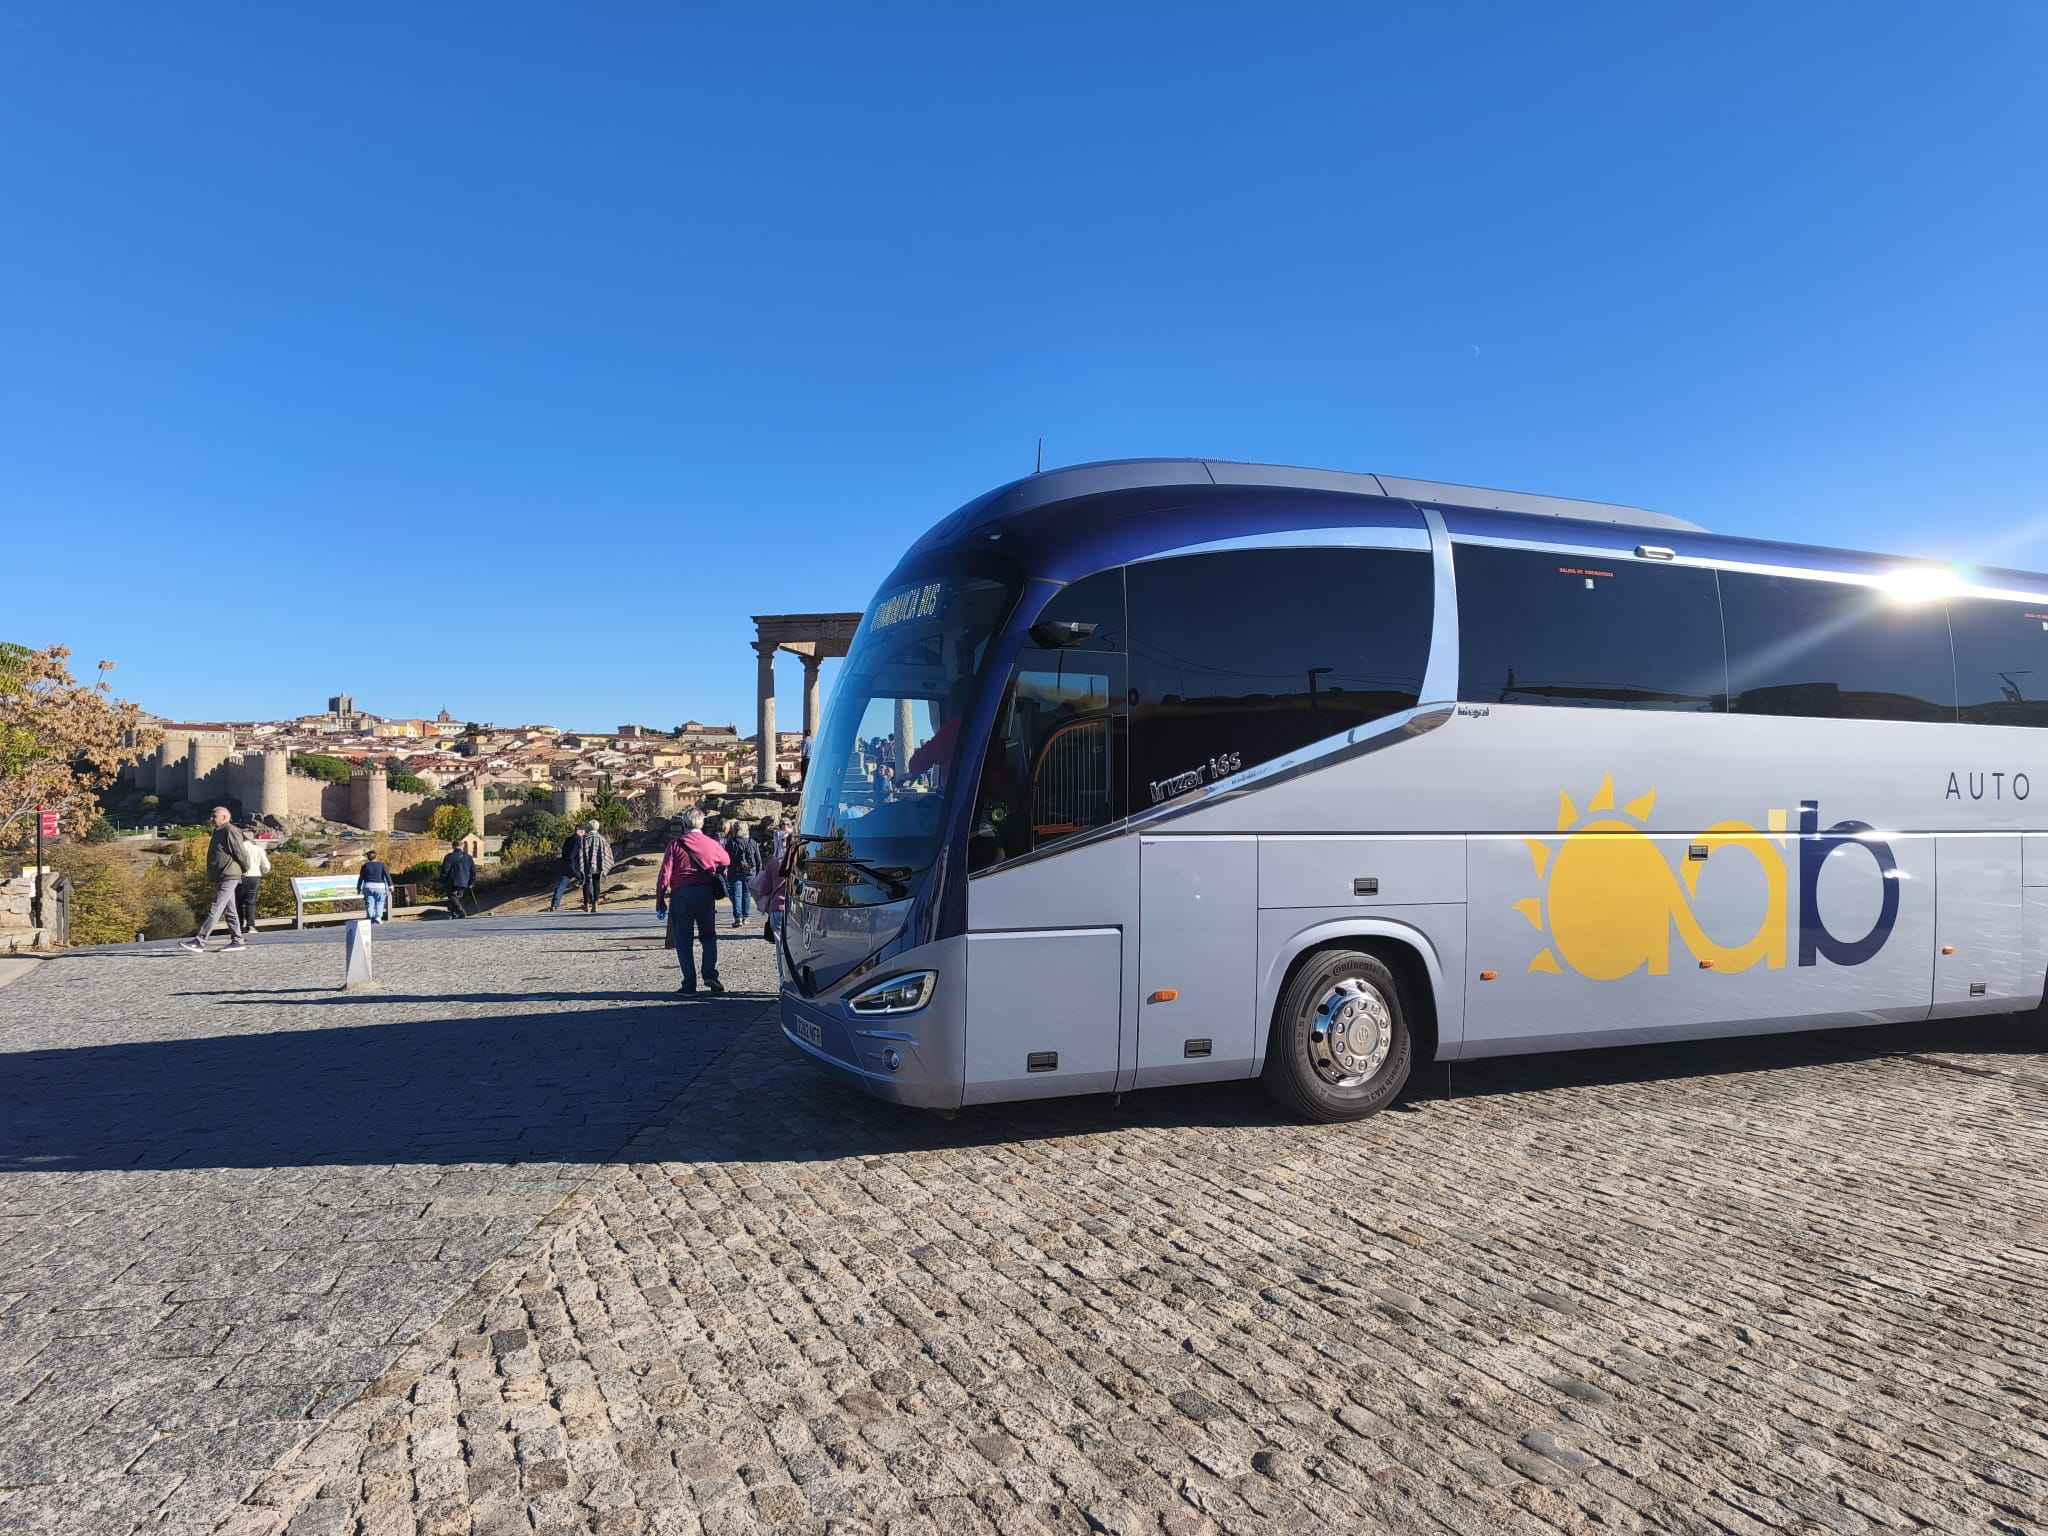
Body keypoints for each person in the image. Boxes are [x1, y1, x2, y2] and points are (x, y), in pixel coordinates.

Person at [656, 812, 729, 994]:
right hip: (705, 893)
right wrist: (712, 868)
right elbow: (726, 860)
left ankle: (689, 982)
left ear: (683, 823)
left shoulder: (675, 845)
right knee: (709, 936)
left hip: (681, 894)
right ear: (702, 823)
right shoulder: (712, 843)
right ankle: (710, 974)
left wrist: (660, 899)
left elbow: (665, 874)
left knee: (683, 940)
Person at [180, 807, 253, 953]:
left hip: (229, 875)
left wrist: (245, 869)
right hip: (223, 875)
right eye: (211, 816)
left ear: (225, 817)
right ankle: (237, 941)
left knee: (217, 907)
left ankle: (200, 940)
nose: (211, 819)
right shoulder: (219, 830)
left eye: (214, 816)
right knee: (230, 910)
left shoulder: (230, 830)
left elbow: (240, 853)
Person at [721, 821, 759, 928]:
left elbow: (725, 858)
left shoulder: (730, 842)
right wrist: (757, 872)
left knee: (737, 895)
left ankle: (738, 917)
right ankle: (746, 917)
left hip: (734, 872)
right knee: (747, 895)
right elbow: (758, 859)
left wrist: (724, 869)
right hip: (749, 872)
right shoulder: (752, 842)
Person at [234, 822, 270, 934]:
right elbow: (266, 866)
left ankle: (239, 926)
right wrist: (262, 872)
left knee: (237, 902)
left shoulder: (235, 849)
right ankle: (251, 926)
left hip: (239, 877)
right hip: (254, 876)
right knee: (251, 901)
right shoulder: (258, 849)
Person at [575, 820, 614, 912]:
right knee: (596, 883)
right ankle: (595, 904)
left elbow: (580, 852)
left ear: (589, 828)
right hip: (598, 865)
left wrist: (580, 863)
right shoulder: (602, 839)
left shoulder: (585, 839)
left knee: (586, 883)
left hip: (587, 865)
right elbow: (607, 853)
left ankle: (586, 904)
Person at [357, 848, 393, 923]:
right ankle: (378, 917)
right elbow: (387, 875)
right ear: (376, 857)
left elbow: (361, 878)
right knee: (380, 902)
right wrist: (391, 885)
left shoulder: (364, 866)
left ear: (367, 857)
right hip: (380, 886)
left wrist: (358, 887)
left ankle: (370, 917)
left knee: (370, 902)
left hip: (368, 886)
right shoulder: (382, 865)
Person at [441, 844, 477, 917]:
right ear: (462, 846)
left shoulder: (449, 857)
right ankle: (454, 913)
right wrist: (471, 882)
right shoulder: (468, 857)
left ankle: (461, 912)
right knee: (458, 897)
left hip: (452, 881)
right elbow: (473, 871)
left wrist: (442, 879)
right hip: (464, 881)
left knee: (452, 896)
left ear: (453, 847)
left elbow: (445, 870)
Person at [548, 830, 578, 912]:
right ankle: (591, 902)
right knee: (587, 881)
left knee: (561, 885)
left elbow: (563, 851)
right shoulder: (582, 839)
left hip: (565, 864)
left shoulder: (568, 839)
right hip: (577, 865)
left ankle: (554, 905)